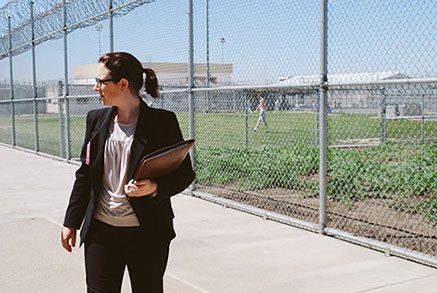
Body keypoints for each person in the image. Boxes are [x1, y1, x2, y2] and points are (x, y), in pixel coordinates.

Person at [61, 52, 195, 292]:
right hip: (101, 233)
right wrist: (71, 221)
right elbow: (85, 173)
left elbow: (185, 174)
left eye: (101, 81)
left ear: (123, 84)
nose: (95, 87)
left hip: (147, 234)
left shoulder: (162, 122)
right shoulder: (96, 120)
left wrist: (154, 188)